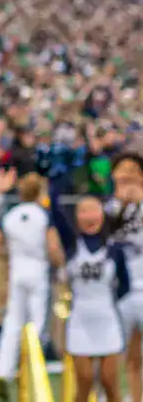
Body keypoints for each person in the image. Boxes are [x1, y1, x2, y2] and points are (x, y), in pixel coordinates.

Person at [51, 190, 130, 402]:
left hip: (107, 321)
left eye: (94, 210)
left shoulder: (115, 249)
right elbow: (56, 214)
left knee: (110, 383)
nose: (90, 216)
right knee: (84, 382)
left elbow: (125, 284)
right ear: (77, 216)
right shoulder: (72, 245)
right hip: (80, 322)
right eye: (84, 211)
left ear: (102, 214)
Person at [0, 173, 63, 398]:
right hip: (38, 269)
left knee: (13, 321)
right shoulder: (43, 215)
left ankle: (3, 369)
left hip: (17, 270)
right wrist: (60, 265)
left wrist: (10, 256)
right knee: (37, 322)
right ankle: (32, 367)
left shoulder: (10, 215)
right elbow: (52, 248)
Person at [102, 149, 143, 401]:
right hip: (120, 290)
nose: (126, 176)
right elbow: (104, 237)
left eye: (133, 172)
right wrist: (121, 206)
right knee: (117, 352)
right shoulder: (107, 208)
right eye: (122, 171)